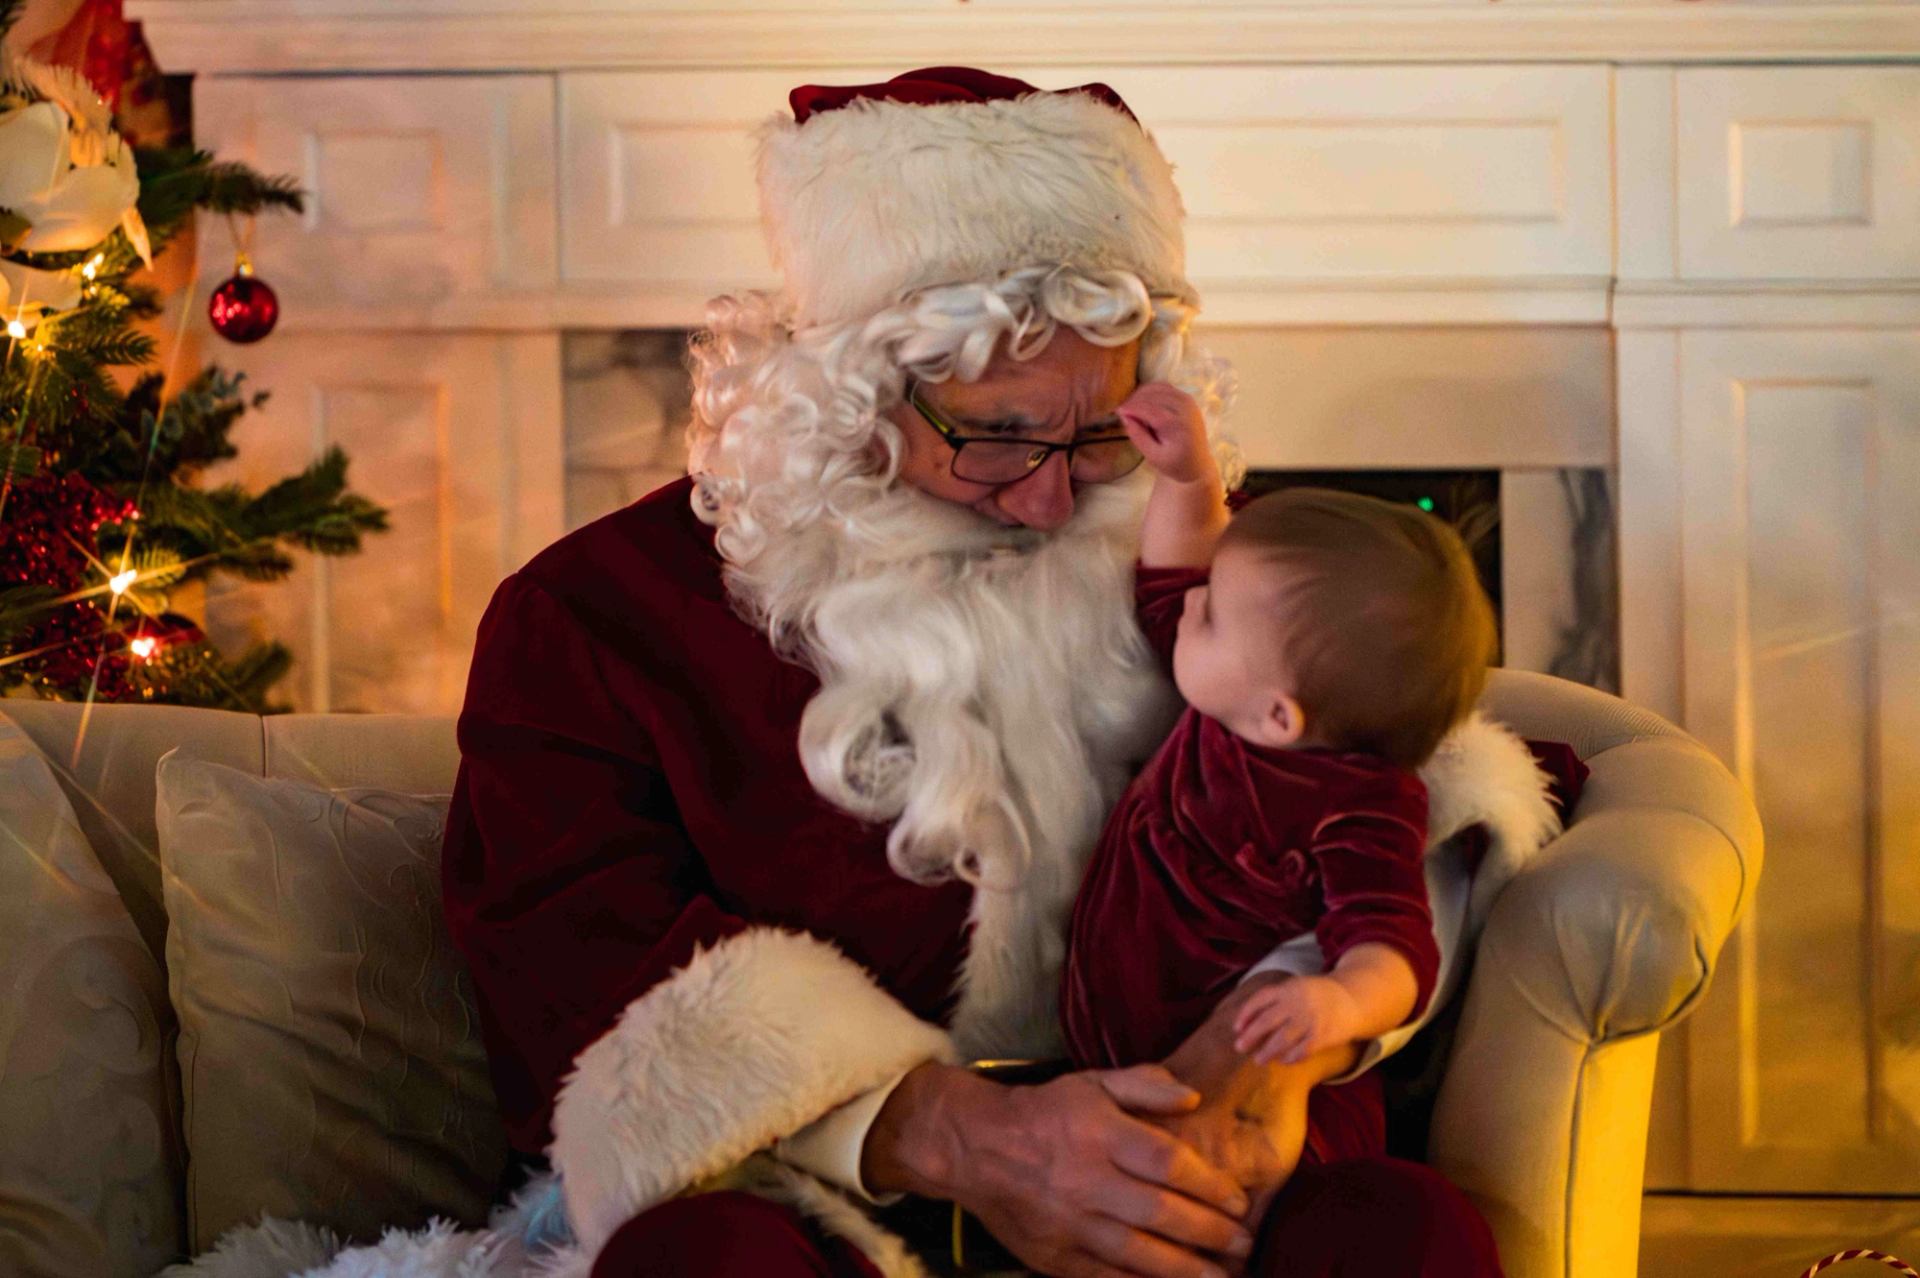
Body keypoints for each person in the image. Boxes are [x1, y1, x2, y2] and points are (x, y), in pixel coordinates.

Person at [441, 66, 1573, 1278]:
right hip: (827, 1196)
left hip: (1206, 1165)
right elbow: (565, 971)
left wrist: (1286, 1043)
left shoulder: (1212, 573)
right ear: (848, 393)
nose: (1047, 500)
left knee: (1405, 1240)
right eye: (993, 436)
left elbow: (1403, 786)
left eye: (1097, 434)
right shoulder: (595, 615)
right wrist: (949, 1134)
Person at [1057, 382, 1504, 1247]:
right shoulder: (1232, 696)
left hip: (1273, 1091)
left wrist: (1335, 1005)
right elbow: (1176, 572)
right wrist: (1189, 482)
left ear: (1280, 718)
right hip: (1125, 1060)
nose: (1189, 602)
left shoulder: (1362, 805)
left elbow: (1394, 944)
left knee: (1248, 1219)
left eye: (1212, 613)